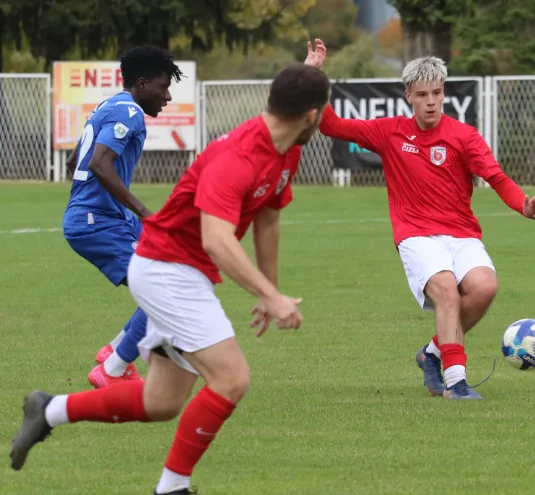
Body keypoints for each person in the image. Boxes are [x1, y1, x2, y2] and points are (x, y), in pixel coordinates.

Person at [11, 63, 330, 494]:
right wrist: (269, 295)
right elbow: (217, 240)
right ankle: (172, 487)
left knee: (160, 402)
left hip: (179, 271)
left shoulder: (287, 149)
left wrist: (268, 289)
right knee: (232, 378)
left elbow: (268, 218)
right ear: (312, 116)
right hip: (167, 269)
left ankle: (50, 410)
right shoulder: (237, 156)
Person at [303, 38, 535, 400]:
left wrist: (523, 205)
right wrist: (312, 73)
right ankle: (456, 383)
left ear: (444, 92)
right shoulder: (389, 132)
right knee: (448, 290)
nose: (431, 101)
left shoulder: (464, 136)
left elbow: (497, 178)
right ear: (408, 96)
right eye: (422, 94)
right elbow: (331, 126)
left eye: (436, 92)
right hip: (416, 235)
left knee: (484, 287)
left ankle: (432, 354)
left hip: (462, 234)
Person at [62, 45, 183, 387]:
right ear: (142, 84)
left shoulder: (109, 104)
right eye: (162, 87)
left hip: (103, 216)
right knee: (165, 289)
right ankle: (112, 370)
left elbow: (76, 162)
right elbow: (99, 163)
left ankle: (113, 353)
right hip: (97, 221)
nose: (167, 96)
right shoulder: (128, 112)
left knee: (172, 273)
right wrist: (144, 212)